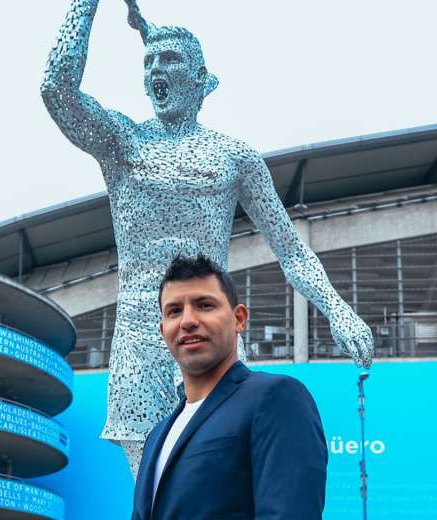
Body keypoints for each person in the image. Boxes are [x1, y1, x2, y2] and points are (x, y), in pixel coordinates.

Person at [41, 0, 373, 475]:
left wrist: (339, 311)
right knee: (155, 481)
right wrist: (85, 4)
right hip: (143, 332)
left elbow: (290, 248)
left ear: (202, 80)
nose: (157, 68)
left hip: (214, 328)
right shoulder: (123, 142)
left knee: (224, 471)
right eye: (149, 62)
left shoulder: (234, 157)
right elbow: (56, 89)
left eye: (170, 59)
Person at [131, 255, 327, 519]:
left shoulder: (275, 397)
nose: (188, 320)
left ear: (239, 319)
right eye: (174, 311)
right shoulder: (156, 435)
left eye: (204, 305)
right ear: (163, 328)